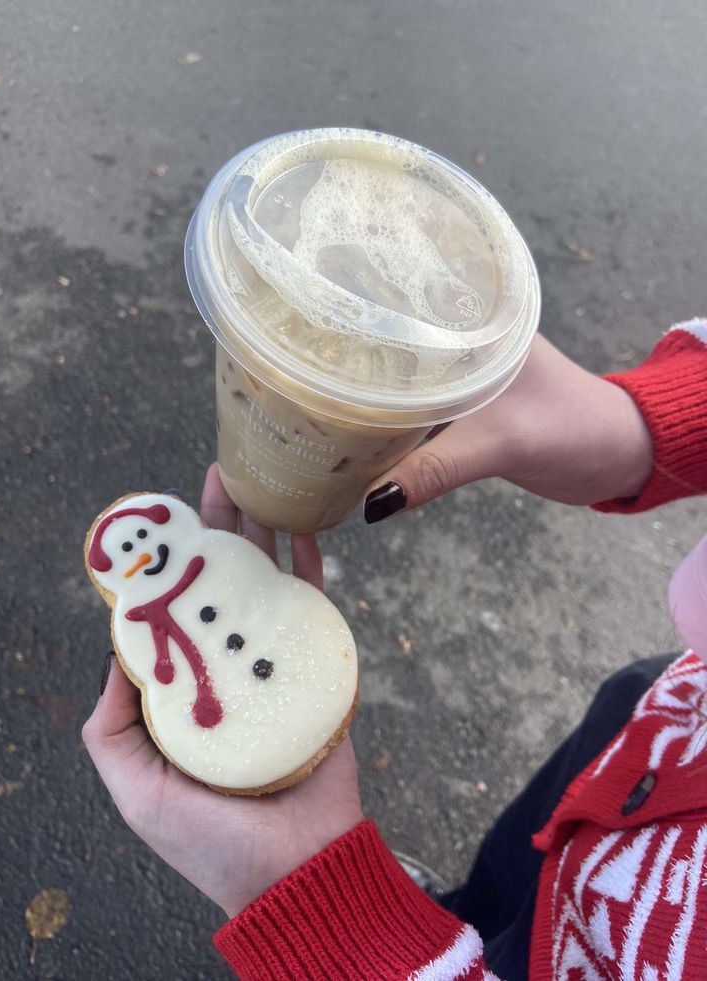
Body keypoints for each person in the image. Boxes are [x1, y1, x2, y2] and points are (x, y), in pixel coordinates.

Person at [83, 319, 707, 979]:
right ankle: (455, 914)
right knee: (514, 863)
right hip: (671, 722)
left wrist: (345, 925)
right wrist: (657, 421)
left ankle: (435, 934)